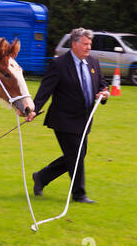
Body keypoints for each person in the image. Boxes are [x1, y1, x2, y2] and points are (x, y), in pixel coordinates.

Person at [26, 28, 110, 203]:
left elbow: (102, 84)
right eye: (85, 44)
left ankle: (42, 177)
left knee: (78, 154)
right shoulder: (59, 64)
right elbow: (45, 90)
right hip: (63, 119)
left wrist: (104, 93)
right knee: (75, 155)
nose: (88, 48)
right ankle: (79, 194)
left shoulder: (93, 62)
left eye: (90, 44)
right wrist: (34, 109)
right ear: (74, 44)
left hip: (84, 119)